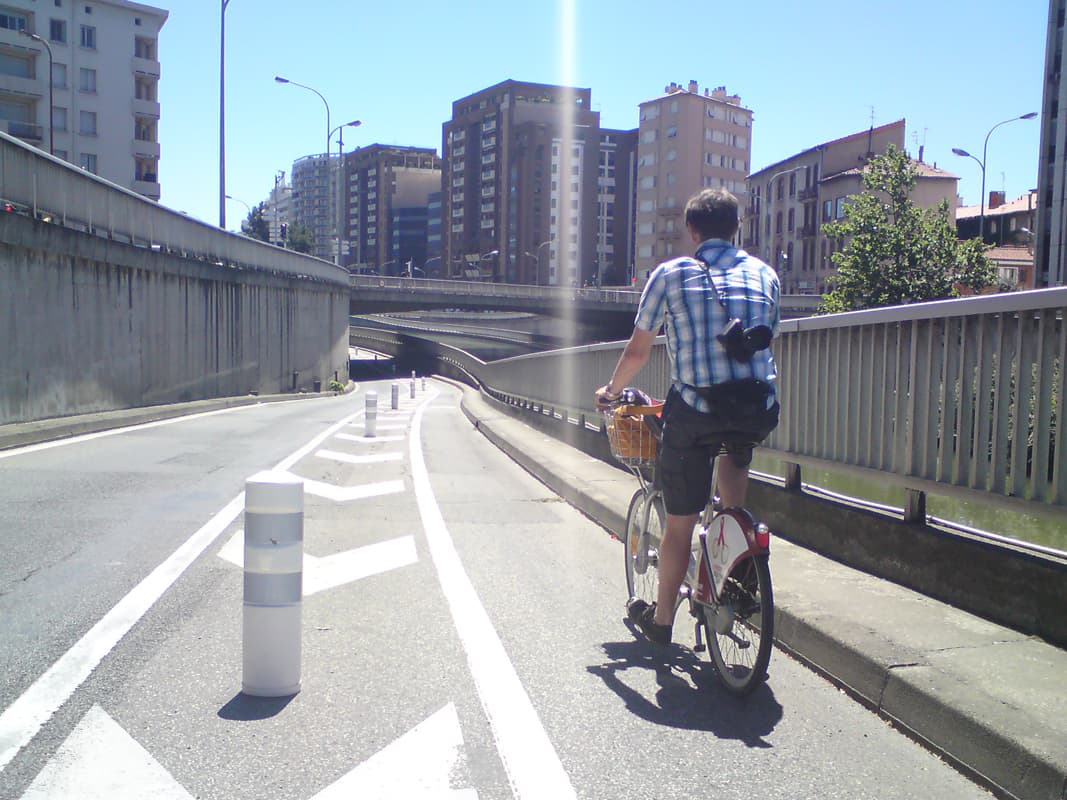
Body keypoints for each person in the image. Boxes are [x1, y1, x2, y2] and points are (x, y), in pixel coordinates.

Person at [595, 188, 780, 646]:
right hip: (757, 407)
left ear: (692, 230)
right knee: (732, 478)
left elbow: (639, 350)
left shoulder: (672, 273)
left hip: (697, 409)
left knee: (681, 521)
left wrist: (611, 391)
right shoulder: (765, 274)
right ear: (737, 227)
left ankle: (660, 622)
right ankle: (735, 562)